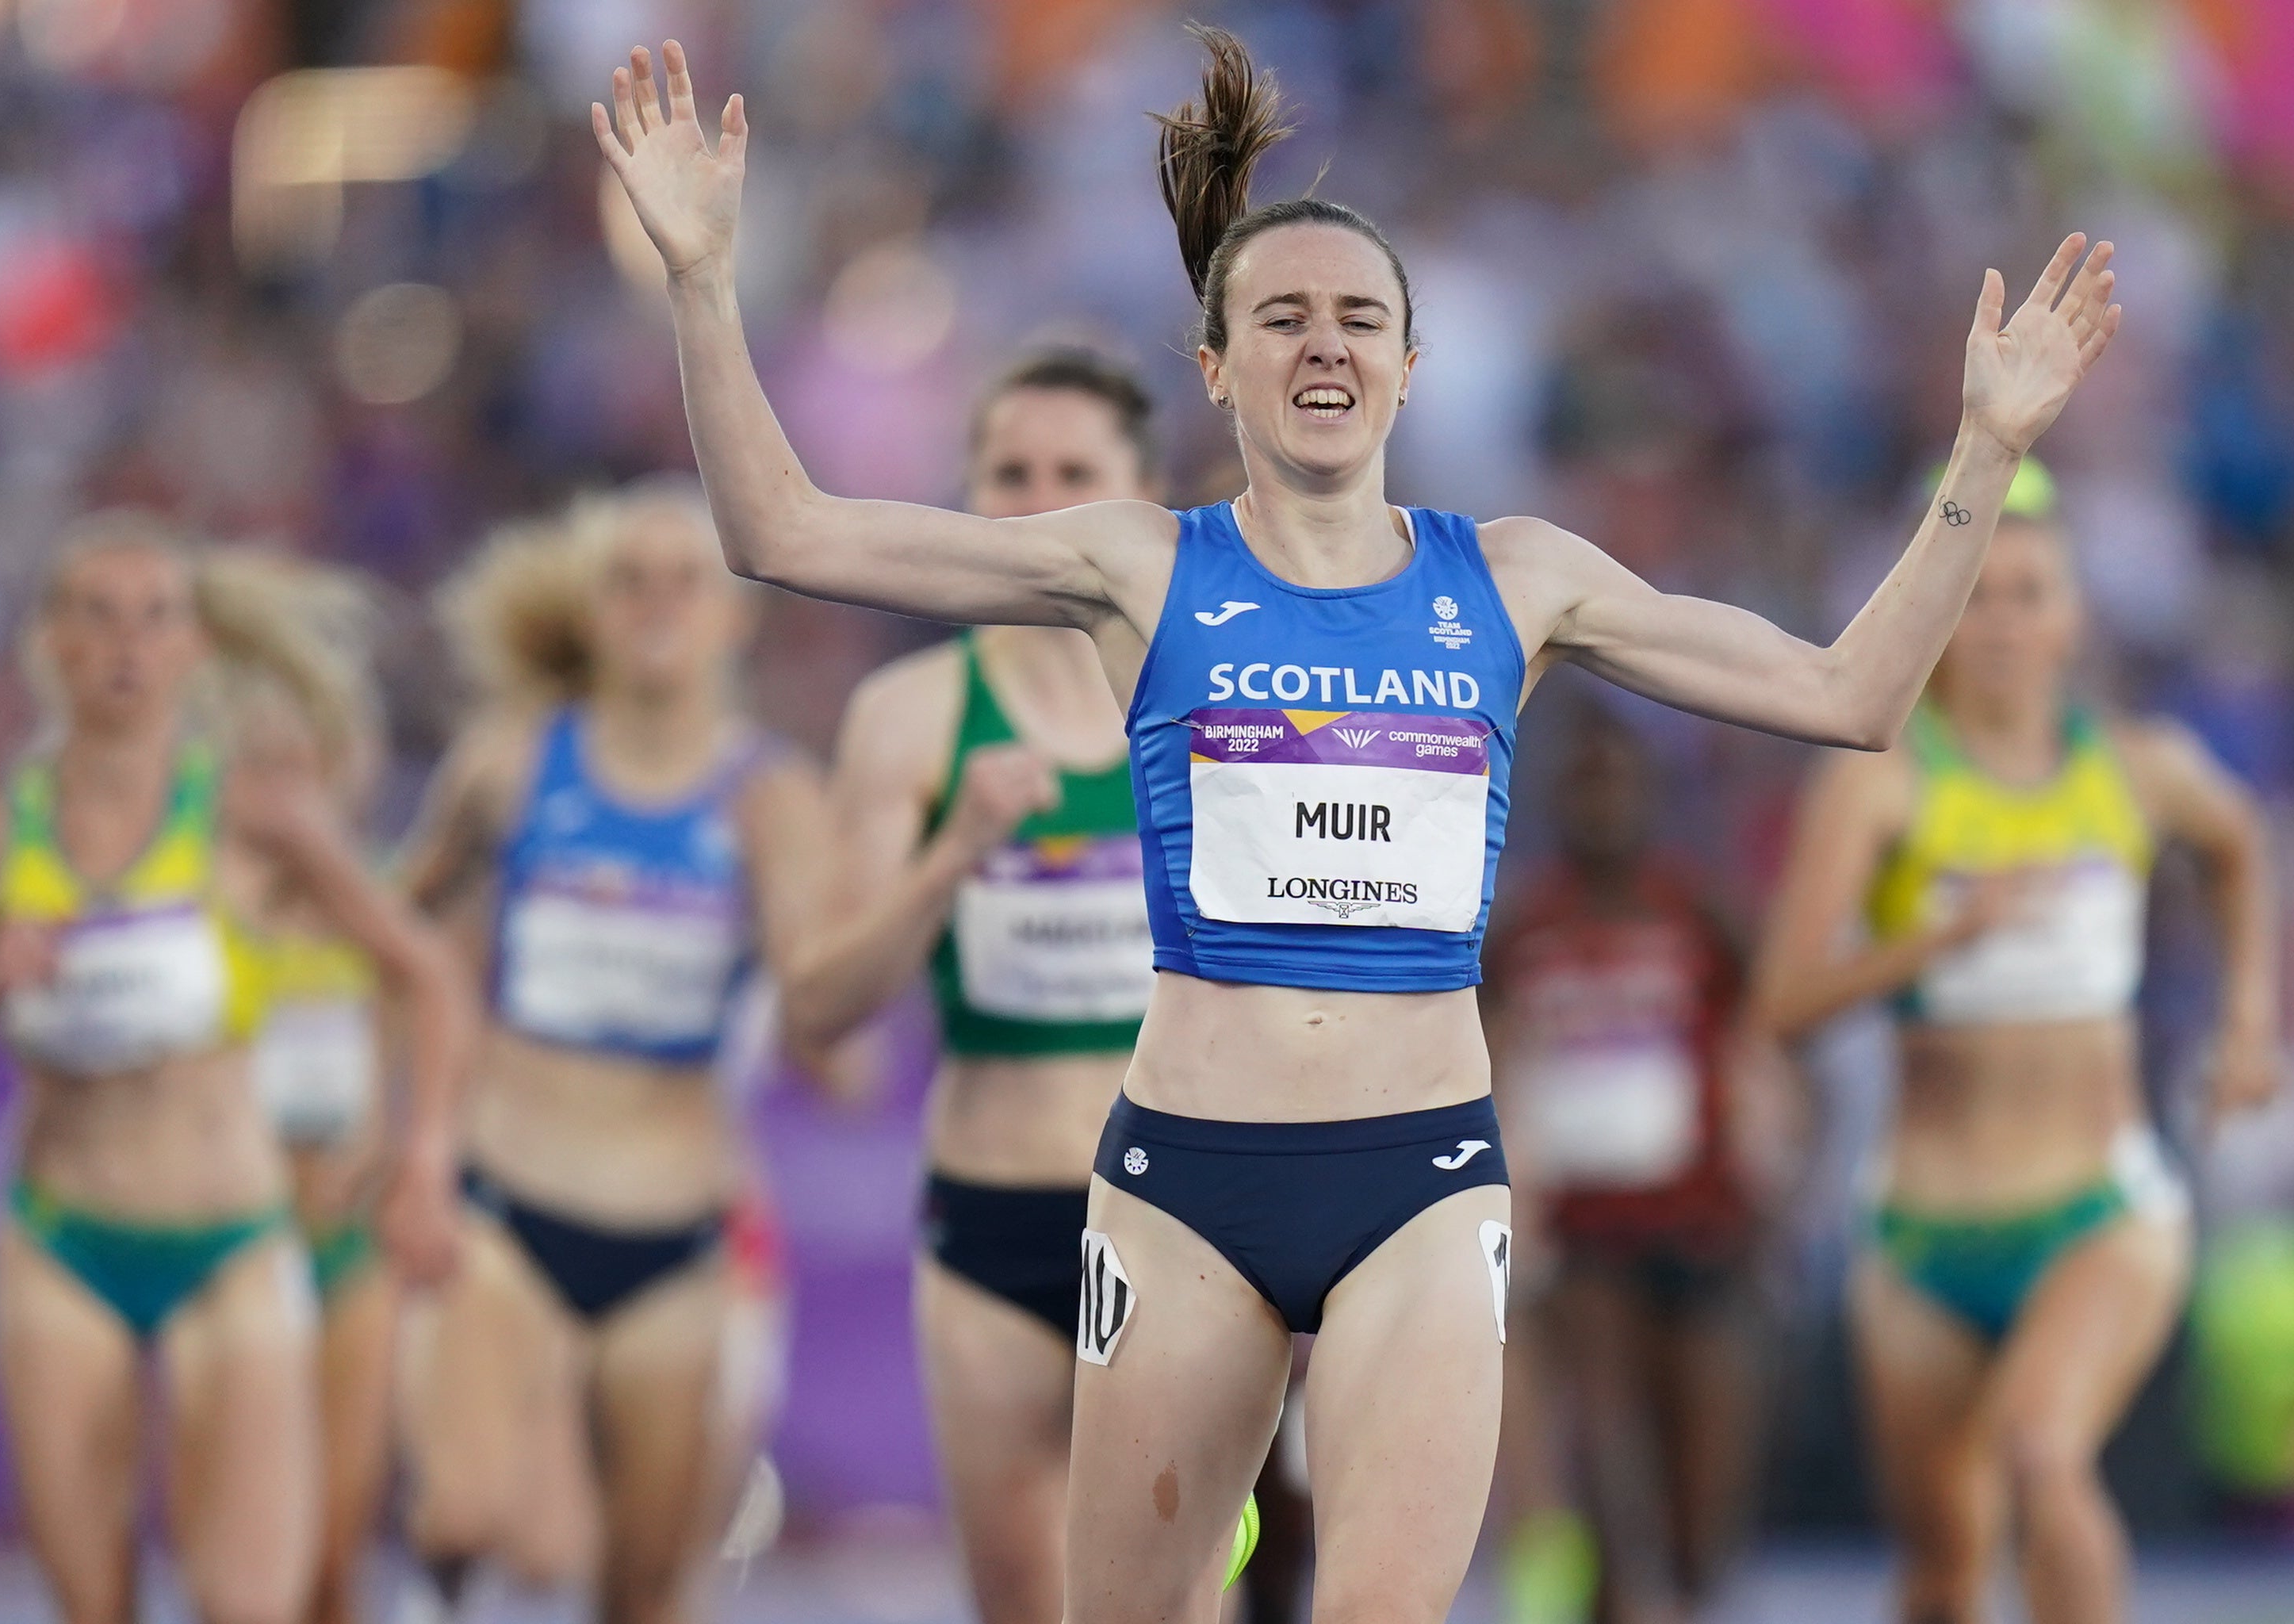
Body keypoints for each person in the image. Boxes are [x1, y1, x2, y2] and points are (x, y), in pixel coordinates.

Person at [592, 22, 2117, 1618]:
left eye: (1359, 318)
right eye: (1283, 318)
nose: (1324, 345)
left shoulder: (1520, 577)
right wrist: (702, 279)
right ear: (1217, 363)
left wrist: (1986, 450)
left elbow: (1852, 693)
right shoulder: (1136, 563)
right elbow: (780, 531)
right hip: (1185, 1175)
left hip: (1421, 1170)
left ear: (1409, 362)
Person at [0, 512, 469, 1624]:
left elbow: (426, 972)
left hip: (234, 1241)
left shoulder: (253, 819)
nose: (127, 646)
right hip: (63, 1244)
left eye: (156, 618)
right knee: (94, 1608)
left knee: (254, 1605)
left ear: (195, 648)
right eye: (96, 617)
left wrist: (422, 1151)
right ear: (48, 645)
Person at [784, 345, 1305, 1624]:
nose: (1039, 501)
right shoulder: (911, 716)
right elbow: (817, 1005)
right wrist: (953, 851)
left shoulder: (1218, 703)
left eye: (1074, 473)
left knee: (1181, 1597)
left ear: (1140, 499)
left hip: (1181, 1212)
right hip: (994, 1212)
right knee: (1027, 1601)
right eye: (1009, 472)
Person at [1751, 463, 2280, 1624]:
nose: (2002, 624)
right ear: (1934, 609)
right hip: (1923, 1240)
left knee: (2046, 1454)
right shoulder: (1885, 785)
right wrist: (1935, 940)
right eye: (1977, 596)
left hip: (2099, 1211)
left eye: (2031, 594)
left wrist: (2250, 1024)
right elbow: (1782, 1004)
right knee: (1945, 1569)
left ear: (2074, 615)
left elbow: (2241, 846)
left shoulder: (2136, 769)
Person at [395, 485, 827, 1624]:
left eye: (685, 581)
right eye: (628, 581)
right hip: (510, 1203)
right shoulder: (509, 766)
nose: (655, 605)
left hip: (677, 1235)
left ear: (735, 619)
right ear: (590, 613)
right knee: (471, 1519)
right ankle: (433, 1591)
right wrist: (416, 1123)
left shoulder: (769, 797)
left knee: (641, 1589)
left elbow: (821, 993)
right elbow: (401, 928)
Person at [1483, 708, 1770, 1624]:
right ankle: (1618, 1594)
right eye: (1585, 783)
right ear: (1560, 799)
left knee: (1701, 1487)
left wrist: (1775, 1170)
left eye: (1618, 782)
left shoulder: (1703, 913)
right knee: (1606, 1447)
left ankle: (1681, 1589)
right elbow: (1488, 1057)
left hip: (1699, 1220)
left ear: (1650, 796)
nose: (1602, 801)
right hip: (1581, 1229)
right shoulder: (1523, 927)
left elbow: (1770, 1043)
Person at [211, 550, 425, 1624]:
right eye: (271, 762)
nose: (293, 788)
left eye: (313, 760)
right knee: (243, 1571)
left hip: (348, 1249)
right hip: (233, 1245)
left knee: (338, 1554)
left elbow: (427, 1011)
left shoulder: (371, 893)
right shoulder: (199, 891)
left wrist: (401, 1149)